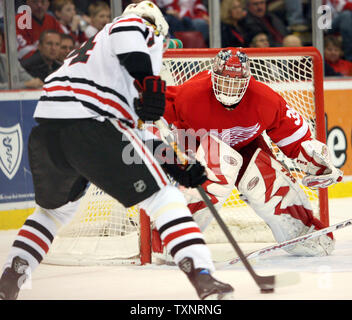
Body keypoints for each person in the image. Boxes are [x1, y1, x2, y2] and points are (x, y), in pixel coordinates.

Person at [0, 1, 233, 301]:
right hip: (92, 125)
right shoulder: (132, 27)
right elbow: (129, 36)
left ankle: (9, 281)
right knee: (164, 196)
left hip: (48, 130)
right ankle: (202, 276)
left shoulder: (99, 61)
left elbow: (134, 139)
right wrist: (148, 80)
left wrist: (176, 164)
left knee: (52, 213)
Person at [163, 48, 342, 259]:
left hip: (246, 147)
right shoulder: (190, 94)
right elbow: (153, 114)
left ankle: (302, 234)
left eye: (236, 82)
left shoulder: (265, 99)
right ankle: (172, 238)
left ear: (248, 80)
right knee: (218, 170)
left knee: (267, 180)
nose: (229, 88)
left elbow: (297, 140)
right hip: (200, 147)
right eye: (224, 80)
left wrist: (320, 164)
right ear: (213, 76)